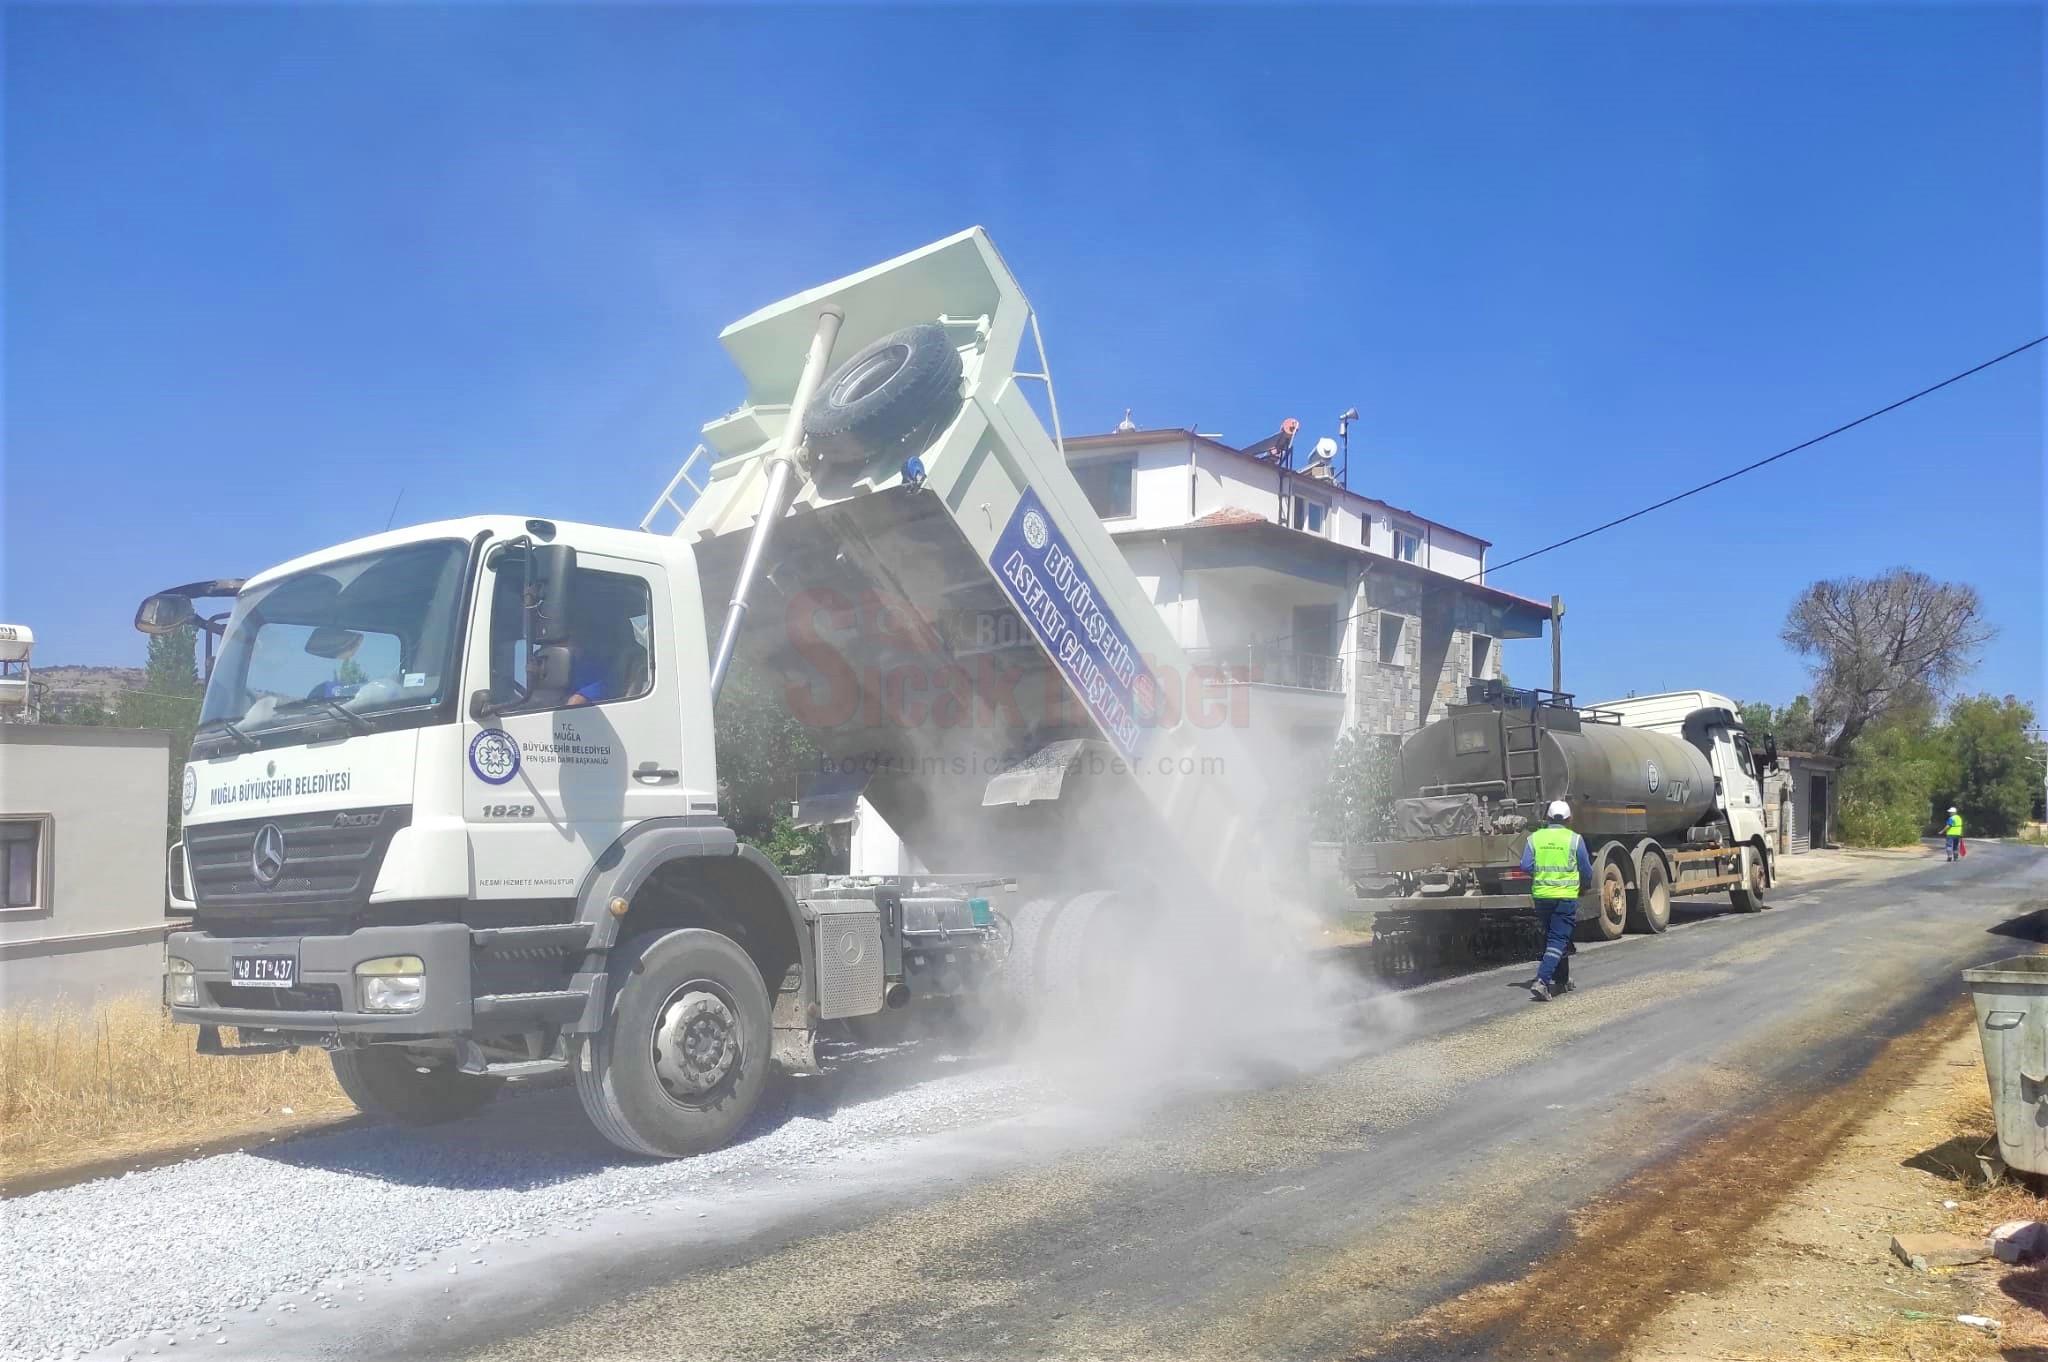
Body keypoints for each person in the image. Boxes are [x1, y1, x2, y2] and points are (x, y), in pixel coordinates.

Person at [1522, 799, 1594, 1002]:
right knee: (1558, 939)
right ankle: (1542, 981)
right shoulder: (1574, 839)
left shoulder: (1534, 839)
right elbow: (1586, 870)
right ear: (1569, 819)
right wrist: (1585, 885)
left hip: (1542, 896)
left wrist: (1542, 874)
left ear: (1548, 818)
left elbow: (1526, 865)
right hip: (1565, 896)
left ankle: (1562, 980)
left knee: (1557, 937)